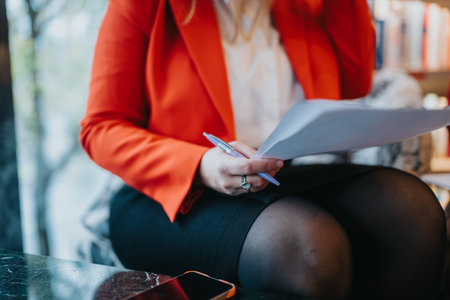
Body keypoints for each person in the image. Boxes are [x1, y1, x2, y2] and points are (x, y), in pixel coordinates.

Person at [79, 0, 446, 299]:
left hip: (274, 176)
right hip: (169, 192)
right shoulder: (148, 6)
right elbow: (101, 127)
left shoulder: (306, 7)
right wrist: (204, 164)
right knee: (301, 245)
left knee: (409, 209)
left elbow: (355, 79)